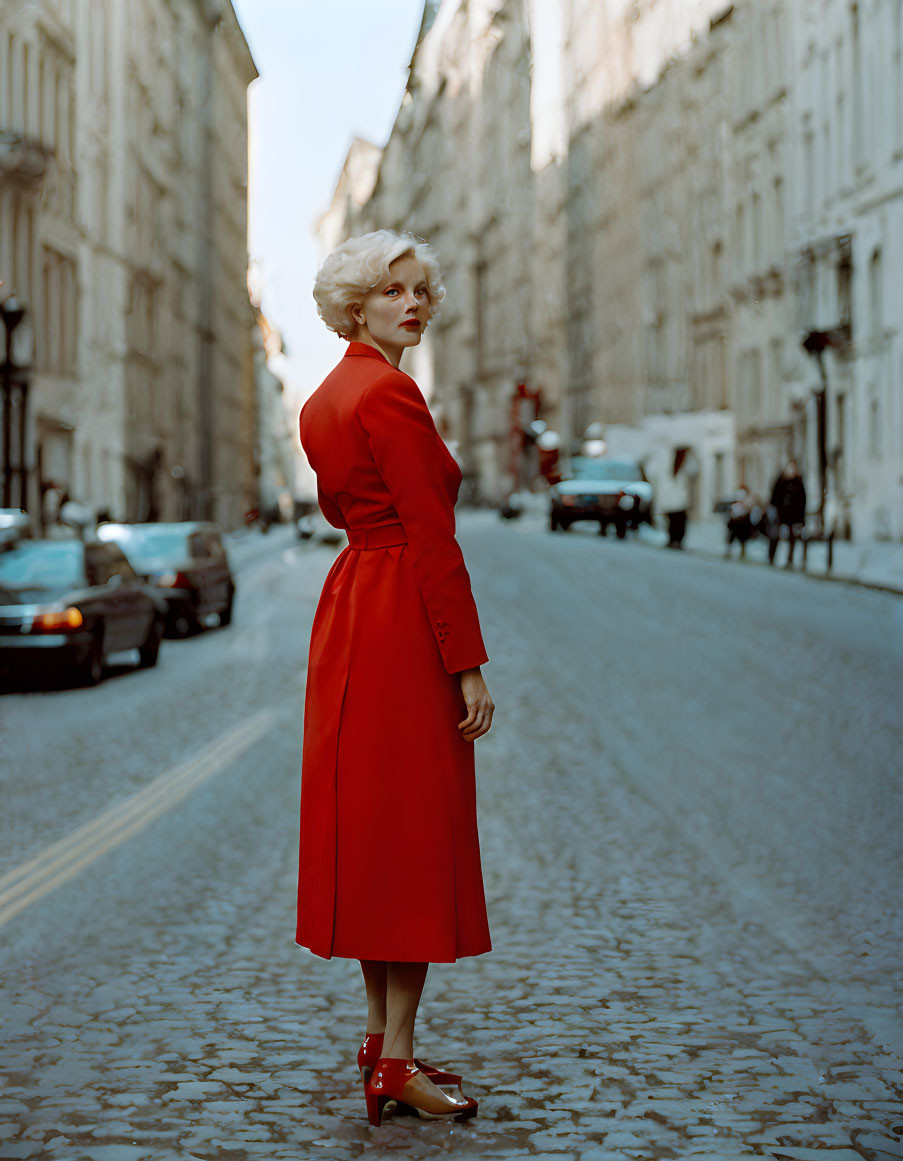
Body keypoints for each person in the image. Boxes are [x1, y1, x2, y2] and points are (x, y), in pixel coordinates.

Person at [297, 230, 494, 1127]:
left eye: (421, 291)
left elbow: (347, 512)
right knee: (412, 835)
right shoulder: (391, 393)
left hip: (350, 609)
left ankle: (381, 1042)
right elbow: (431, 537)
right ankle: (399, 1060)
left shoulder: (323, 399)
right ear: (355, 305)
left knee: (370, 832)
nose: (412, 304)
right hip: (405, 616)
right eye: (392, 292)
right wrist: (467, 663)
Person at [767, 459, 807, 566]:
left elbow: (802, 501)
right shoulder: (781, 481)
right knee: (776, 535)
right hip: (780, 515)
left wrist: (801, 519)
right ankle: (771, 557)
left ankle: (790, 559)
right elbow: (774, 498)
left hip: (793, 516)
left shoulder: (798, 483)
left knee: (792, 537)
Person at [658, 447, 699, 548]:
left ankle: (677, 541)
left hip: (679, 503)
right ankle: (673, 540)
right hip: (674, 502)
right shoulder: (673, 467)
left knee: (678, 525)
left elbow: (694, 471)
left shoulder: (683, 467)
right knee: (674, 524)